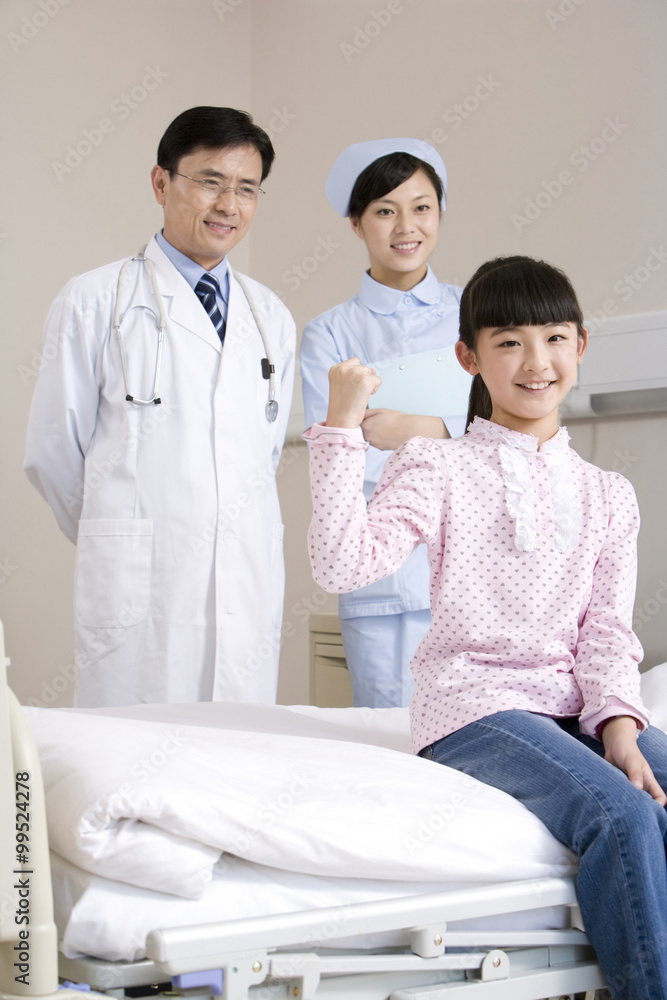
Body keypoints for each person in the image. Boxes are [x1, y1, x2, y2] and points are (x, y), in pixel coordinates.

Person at [306, 255, 667, 1000]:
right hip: (473, 703)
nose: (536, 362)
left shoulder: (607, 494)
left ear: (580, 346)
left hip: (572, 704)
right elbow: (341, 564)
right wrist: (341, 427)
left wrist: (620, 728)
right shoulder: (437, 466)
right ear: (469, 356)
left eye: (554, 339)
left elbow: (605, 630)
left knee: (646, 778)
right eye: (508, 342)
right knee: (621, 814)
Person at [25, 106, 296, 707]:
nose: (229, 204)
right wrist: (119, 532)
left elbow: (263, 452)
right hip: (138, 588)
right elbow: (52, 453)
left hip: (244, 581)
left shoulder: (269, 315)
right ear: (161, 183)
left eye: (246, 189)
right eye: (210, 181)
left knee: (233, 771)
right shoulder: (95, 299)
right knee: (133, 774)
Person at [300, 138, 471, 708]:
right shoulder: (331, 333)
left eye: (422, 207)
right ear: (356, 223)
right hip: (382, 571)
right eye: (384, 210)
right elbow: (333, 449)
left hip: (478, 560)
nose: (407, 226)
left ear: (440, 214)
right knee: (392, 743)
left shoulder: (478, 312)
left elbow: (516, 431)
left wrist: (416, 428)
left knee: (487, 740)